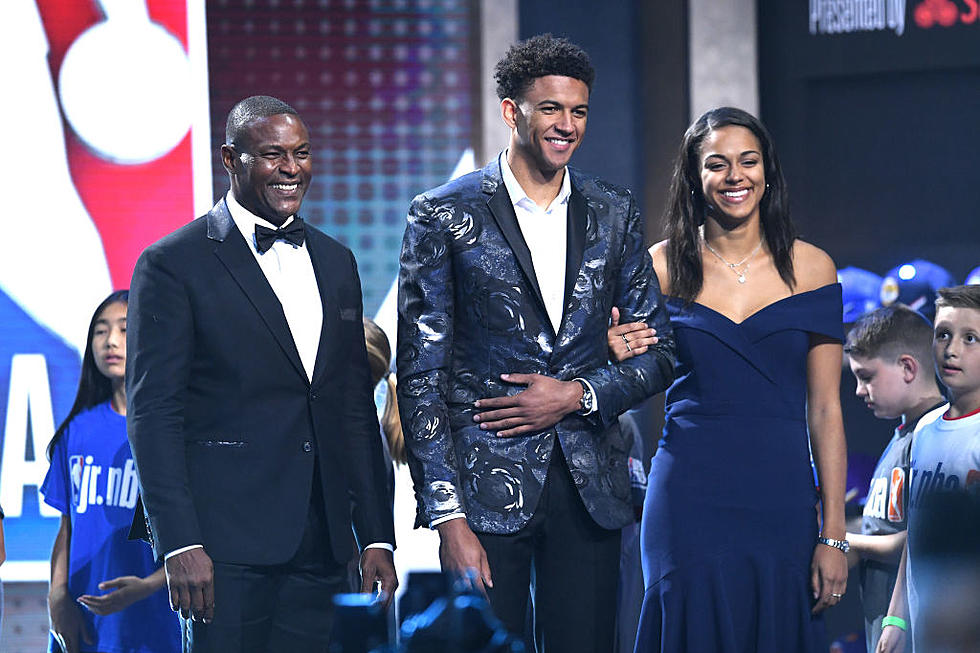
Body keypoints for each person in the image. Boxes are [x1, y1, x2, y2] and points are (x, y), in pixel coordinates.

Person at [396, 34, 675, 653]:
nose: (566, 125)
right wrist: (446, 517)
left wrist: (576, 394)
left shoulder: (614, 211)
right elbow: (419, 372)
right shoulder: (443, 214)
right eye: (550, 108)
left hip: (591, 490)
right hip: (481, 490)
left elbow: (661, 353)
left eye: (578, 111)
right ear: (511, 110)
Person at [126, 95, 397, 652]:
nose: (292, 168)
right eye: (273, 154)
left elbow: (351, 406)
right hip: (221, 548)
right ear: (231, 159)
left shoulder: (336, 261)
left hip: (322, 543)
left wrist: (375, 535)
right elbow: (155, 415)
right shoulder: (172, 263)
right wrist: (179, 543)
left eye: (302, 153)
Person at [609, 107, 848, 652]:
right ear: (695, 178)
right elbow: (632, 372)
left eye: (749, 161)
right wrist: (615, 348)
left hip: (781, 498)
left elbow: (827, 410)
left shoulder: (813, 268)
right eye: (718, 164)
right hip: (688, 496)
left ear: (768, 172)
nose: (736, 176)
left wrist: (833, 533)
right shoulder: (662, 266)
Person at [41, 291, 179, 653]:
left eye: (124, 328)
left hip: (156, 621)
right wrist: (57, 598)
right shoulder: (76, 430)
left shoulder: (175, 429)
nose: (111, 341)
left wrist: (149, 585)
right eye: (100, 331)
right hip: (84, 624)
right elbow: (67, 526)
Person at [877, 285, 980, 653]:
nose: (952, 349)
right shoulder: (924, 429)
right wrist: (895, 617)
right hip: (925, 633)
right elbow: (917, 534)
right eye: (943, 335)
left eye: (971, 338)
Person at [842, 305, 946, 652]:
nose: (858, 390)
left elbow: (917, 542)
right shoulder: (901, 435)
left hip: (914, 631)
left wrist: (838, 540)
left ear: (907, 367)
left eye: (867, 376)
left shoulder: (935, 435)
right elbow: (885, 528)